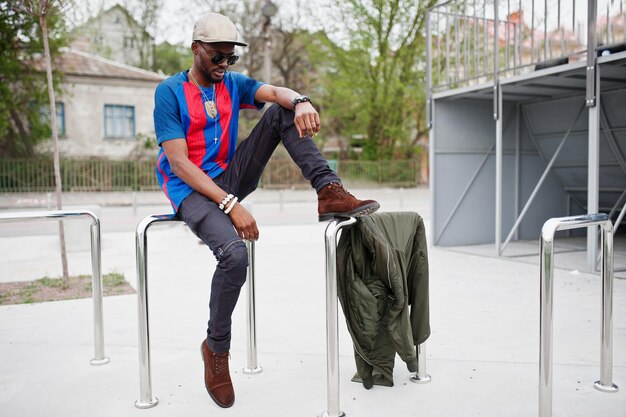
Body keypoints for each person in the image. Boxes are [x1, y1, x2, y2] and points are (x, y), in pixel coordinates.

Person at [153, 12, 379, 408]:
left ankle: (328, 189)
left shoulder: (233, 85)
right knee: (234, 255)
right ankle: (216, 350)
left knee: (282, 110)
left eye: (231, 59)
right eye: (217, 57)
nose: (224, 65)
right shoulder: (169, 92)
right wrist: (229, 205)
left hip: (229, 176)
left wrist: (302, 100)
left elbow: (276, 92)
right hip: (190, 190)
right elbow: (179, 164)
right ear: (196, 50)